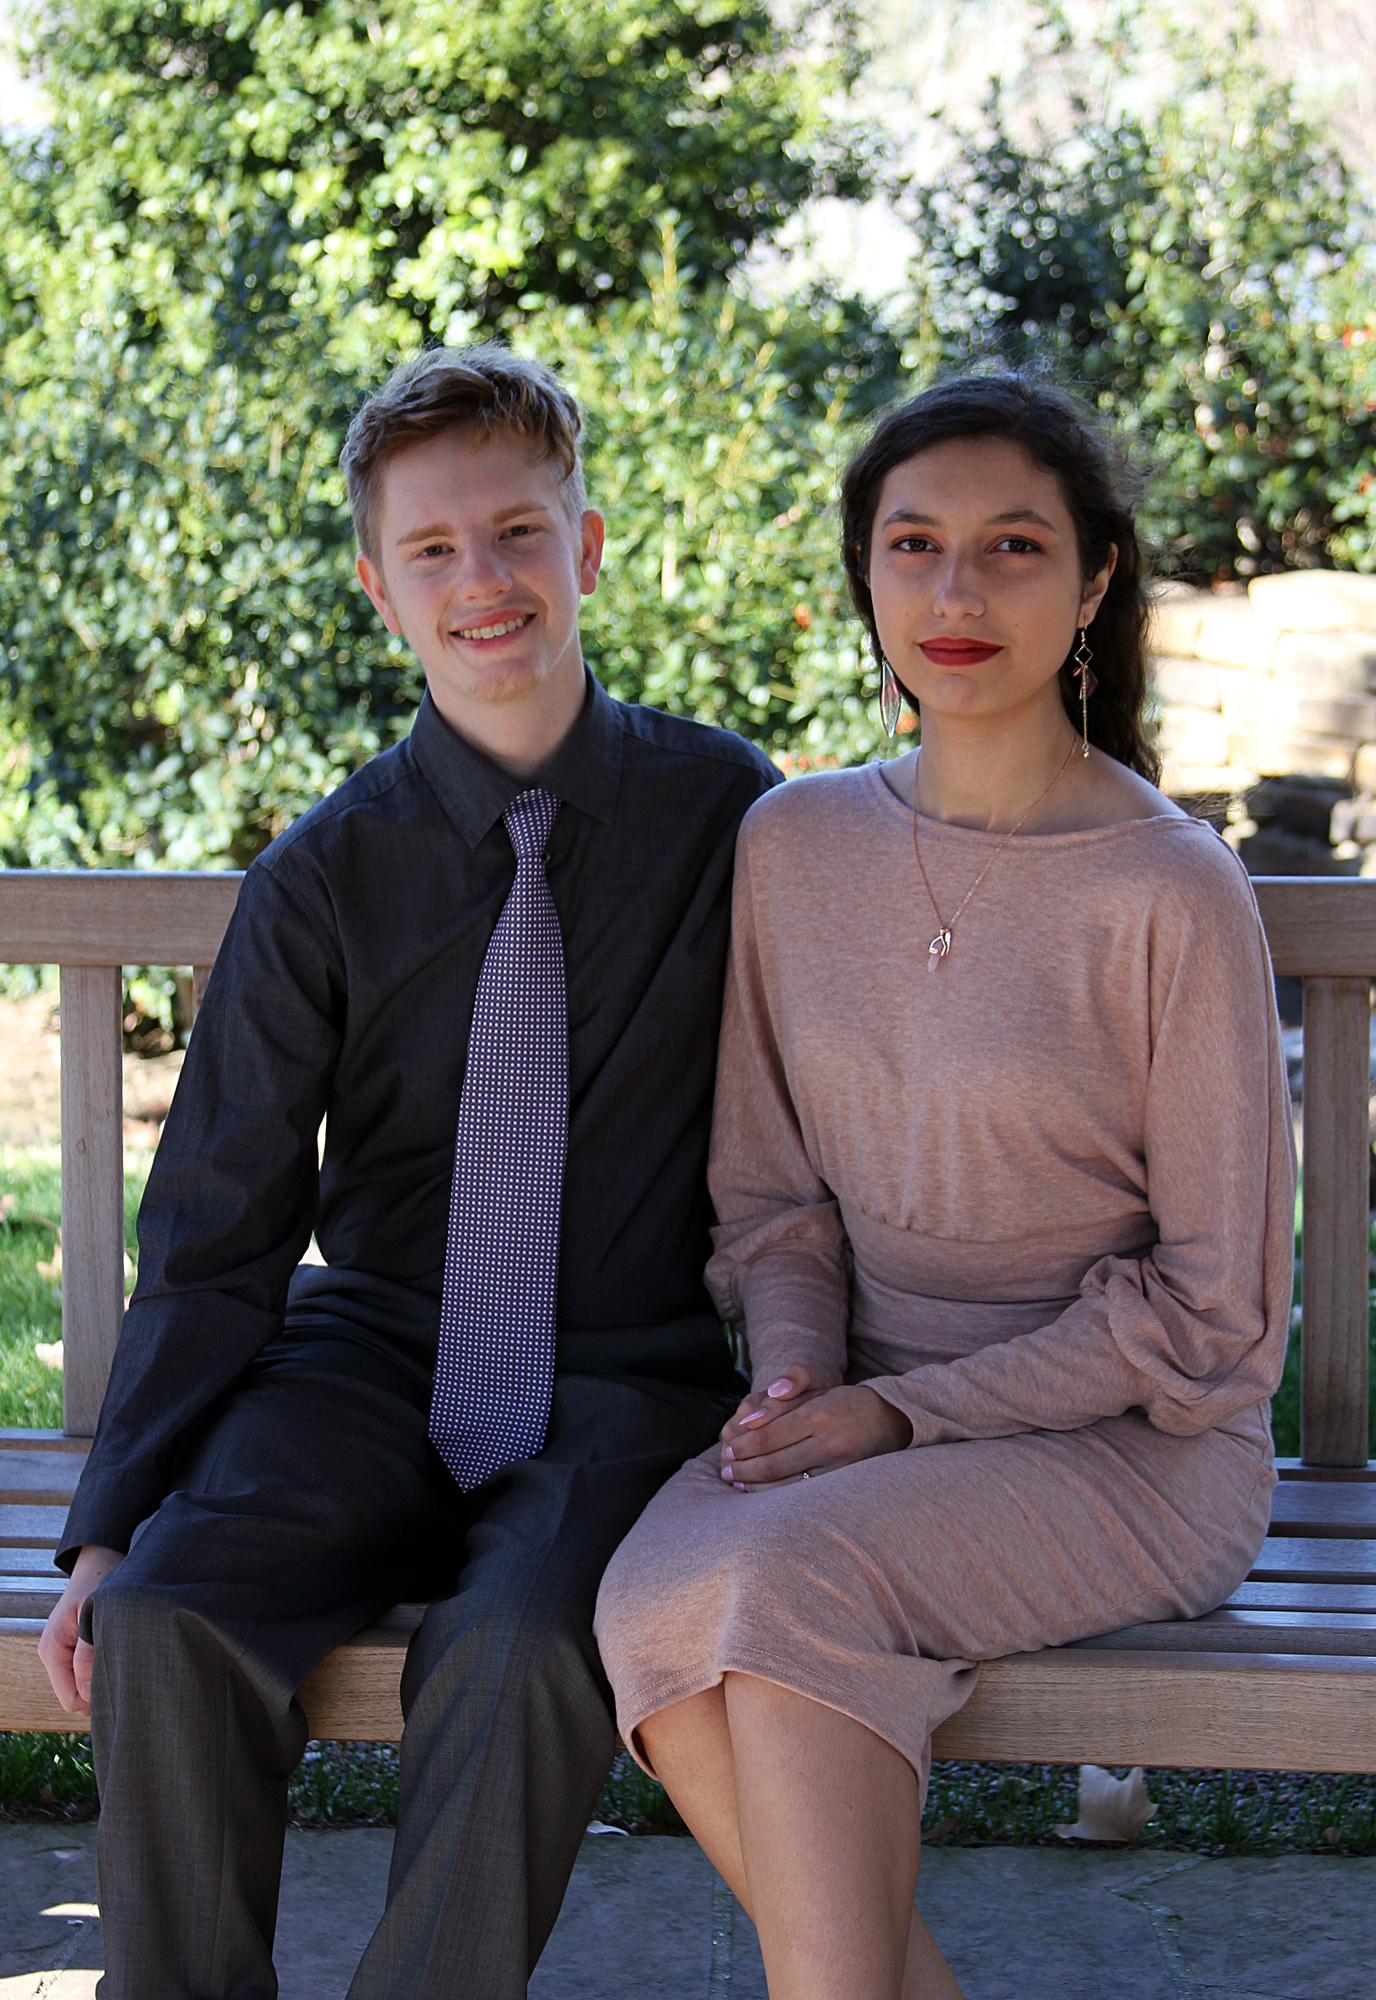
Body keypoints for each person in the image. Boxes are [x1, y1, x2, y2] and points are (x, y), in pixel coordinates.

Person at [38, 342, 778, 1999]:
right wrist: (110, 1525)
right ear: (382, 592)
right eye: (434, 552)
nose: (484, 583)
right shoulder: (325, 875)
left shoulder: (728, 812)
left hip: (623, 1377)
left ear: (586, 550)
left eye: (519, 535)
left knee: (521, 1647)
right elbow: (221, 1220)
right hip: (369, 1353)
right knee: (166, 1623)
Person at [594, 373, 1295, 2000]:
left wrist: (907, 1422)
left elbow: (1214, 1312)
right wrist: (801, 1375)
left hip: (1135, 1448)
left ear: (1096, 581)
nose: (957, 593)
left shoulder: (1167, 891)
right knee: (659, 1599)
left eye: (1013, 547)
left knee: (771, 1593)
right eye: (913, 545)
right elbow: (771, 1199)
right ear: (865, 577)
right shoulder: (795, 843)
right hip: (860, 1418)